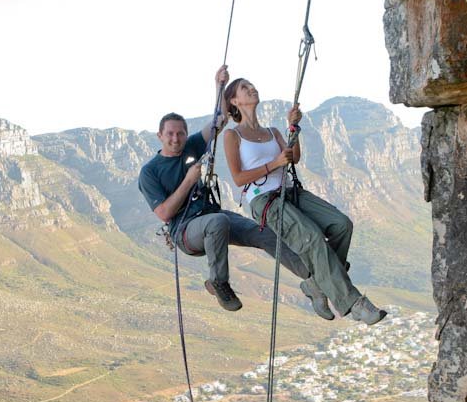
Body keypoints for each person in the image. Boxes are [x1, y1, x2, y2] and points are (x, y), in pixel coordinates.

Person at [138, 66, 335, 318]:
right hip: (185, 229)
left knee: (264, 232)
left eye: (180, 133)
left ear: (186, 134)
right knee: (217, 221)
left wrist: (219, 86)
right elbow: (164, 213)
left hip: (210, 215)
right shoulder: (150, 171)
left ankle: (314, 278)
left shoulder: (192, 146)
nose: (176, 139)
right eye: (170, 134)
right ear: (160, 136)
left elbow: (220, 119)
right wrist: (188, 180)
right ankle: (219, 282)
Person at [222, 77, 387, 325]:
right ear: (234, 101)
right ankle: (354, 304)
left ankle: (315, 284)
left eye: (252, 85)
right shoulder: (233, 136)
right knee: (312, 238)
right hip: (264, 200)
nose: (252, 88)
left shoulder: (272, 132)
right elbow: (238, 178)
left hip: (290, 192)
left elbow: (294, 157)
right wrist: (274, 164)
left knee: (341, 224)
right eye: (245, 88)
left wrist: (292, 129)